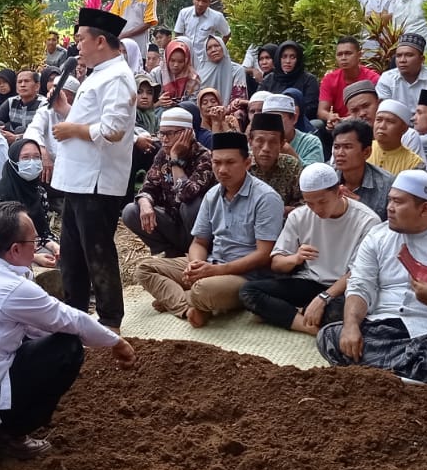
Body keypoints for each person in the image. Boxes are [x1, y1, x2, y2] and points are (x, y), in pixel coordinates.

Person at [0, 201, 137, 460]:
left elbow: (38, 326)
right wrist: (116, 342)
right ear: (15, 250)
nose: (36, 248)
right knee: (67, 347)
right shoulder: (12, 287)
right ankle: (7, 435)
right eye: (33, 243)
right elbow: (71, 320)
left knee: (38, 338)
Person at [315, 169, 427, 383]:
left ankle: (377, 376)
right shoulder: (377, 236)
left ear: (424, 209)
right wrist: (351, 326)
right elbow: (360, 285)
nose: (389, 208)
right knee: (330, 335)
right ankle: (407, 378)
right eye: (389, 200)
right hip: (381, 328)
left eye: (398, 202)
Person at [137, 132, 283, 327]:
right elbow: (199, 242)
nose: (222, 170)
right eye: (217, 162)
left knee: (202, 289)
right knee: (144, 269)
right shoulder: (213, 194)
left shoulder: (266, 198)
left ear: (247, 163)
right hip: (212, 263)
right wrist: (196, 265)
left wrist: (215, 271)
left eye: (230, 163)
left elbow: (264, 255)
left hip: (245, 276)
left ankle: (185, 299)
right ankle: (188, 307)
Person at [53, 7, 136, 330]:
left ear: (101, 41)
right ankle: (75, 313)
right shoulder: (101, 73)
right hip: (79, 179)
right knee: (73, 253)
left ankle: (111, 318)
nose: (78, 47)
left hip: (96, 181)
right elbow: (94, 118)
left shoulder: (118, 76)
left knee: (97, 251)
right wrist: (66, 111)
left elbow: (114, 129)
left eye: (81, 41)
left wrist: (73, 129)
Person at [239, 163, 379, 334]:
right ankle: (310, 326)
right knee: (249, 291)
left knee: (344, 313)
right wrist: (295, 258)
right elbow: (277, 263)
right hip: (309, 281)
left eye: (322, 202)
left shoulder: (367, 221)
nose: (317, 209)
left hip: (342, 288)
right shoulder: (299, 215)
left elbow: (357, 273)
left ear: (340, 192)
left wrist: (323, 298)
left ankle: (291, 314)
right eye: (310, 203)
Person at [123, 108, 212, 257]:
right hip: (173, 222)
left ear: (187, 133)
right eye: (161, 133)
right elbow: (149, 186)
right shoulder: (162, 154)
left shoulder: (204, 157)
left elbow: (186, 195)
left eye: (169, 133)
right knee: (131, 211)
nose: (164, 139)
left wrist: (175, 160)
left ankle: (200, 253)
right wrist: (145, 203)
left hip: (200, 232)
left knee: (190, 206)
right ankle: (169, 252)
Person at [0, 139, 57, 255]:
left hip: (35, 247)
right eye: (25, 158)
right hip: (8, 252)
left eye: (36, 157)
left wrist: (55, 247)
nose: (32, 162)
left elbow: (44, 234)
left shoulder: (39, 192)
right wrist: (34, 257)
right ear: (13, 161)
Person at [330, 119, 392, 220]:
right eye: (336, 147)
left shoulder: (387, 184)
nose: (340, 153)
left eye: (347, 147)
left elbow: (390, 228)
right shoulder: (325, 177)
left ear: (366, 152)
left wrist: (360, 207)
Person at [318, 37, 381, 131]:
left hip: (366, 123)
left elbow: (380, 108)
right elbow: (321, 111)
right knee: (317, 125)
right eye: (340, 54)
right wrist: (330, 117)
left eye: (348, 53)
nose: (343, 58)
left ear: (359, 55)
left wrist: (351, 119)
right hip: (339, 125)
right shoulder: (329, 79)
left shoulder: (373, 78)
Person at [247, 112, 303, 210]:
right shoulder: (242, 165)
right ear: (250, 142)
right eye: (260, 141)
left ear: (282, 144)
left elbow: (303, 203)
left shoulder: (292, 166)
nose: (266, 148)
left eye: (273, 142)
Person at [376, 34, 427, 106]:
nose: (402, 60)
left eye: (409, 55)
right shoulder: (387, 79)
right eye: (398, 55)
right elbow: (384, 111)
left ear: (422, 59)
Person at [259, 42, 320, 123]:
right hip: (270, 122)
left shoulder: (309, 80)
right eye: (284, 57)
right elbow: (258, 101)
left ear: (298, 59)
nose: (288, 61)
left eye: (292, 57)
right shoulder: (269, 79)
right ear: (278, 58)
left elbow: (311, 108)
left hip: (300, 122)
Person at [174, 0, 228, 71]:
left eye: (204, 1)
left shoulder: (217, 17)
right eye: (198, 0)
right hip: (186, 59)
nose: (200, 4)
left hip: (206, 61)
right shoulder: (184, 13)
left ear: (209, 2)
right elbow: (178, 35)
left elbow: (226, 34)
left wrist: (216, 51)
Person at [367, 99, 425, 175]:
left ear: (404, 129)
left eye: (390, 121)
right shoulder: (363, 150)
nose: (382, 126)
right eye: (378, 120)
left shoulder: (414, 163)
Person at [264, 93, 325, 165]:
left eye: (277, 119)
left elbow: (314, 174)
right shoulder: (258, 142)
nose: (272, 124)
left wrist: (290, 154)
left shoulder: (310, 143)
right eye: (267, 119)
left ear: (294, 119)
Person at [0, 70, 45, 139]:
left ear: (37, 86)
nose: (22, 85)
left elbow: (43, 132)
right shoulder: (11, 102)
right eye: (19, 82)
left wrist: (17, 138)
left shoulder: (44, 104)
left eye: (26, 81)